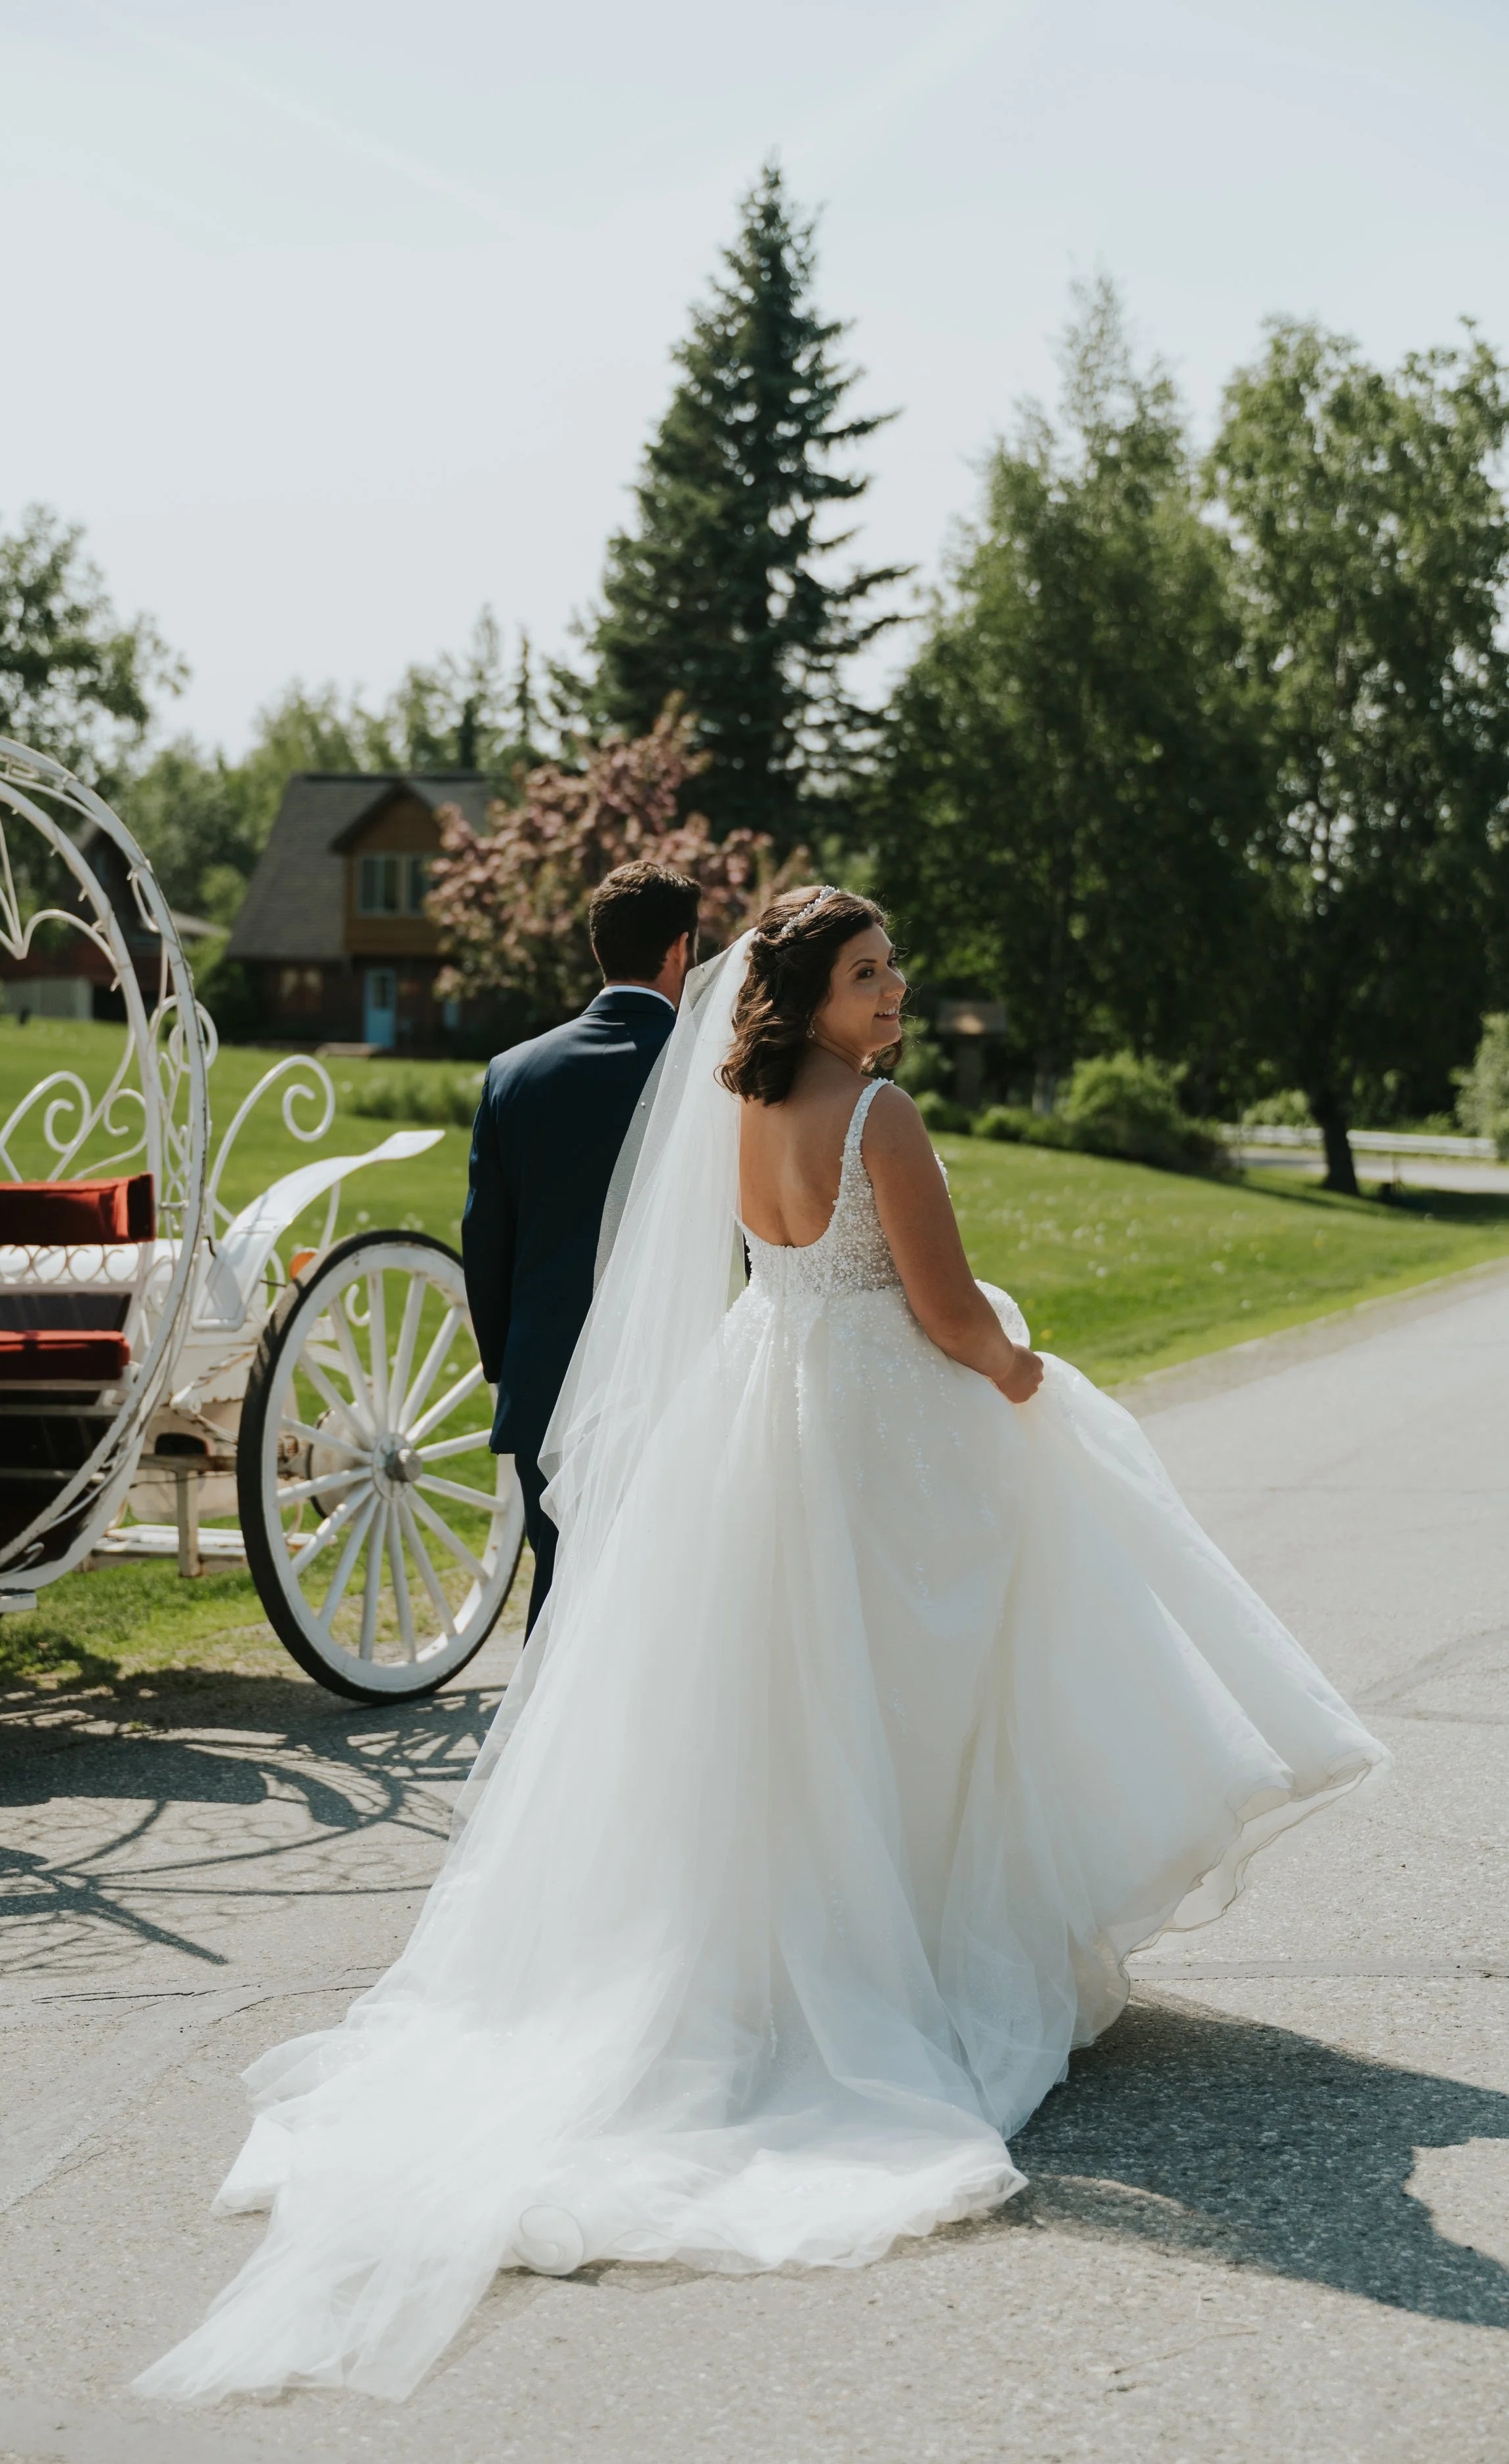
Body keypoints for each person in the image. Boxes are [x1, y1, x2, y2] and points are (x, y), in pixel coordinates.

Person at [137, 887, 1387, 2408]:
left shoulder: (739, 1107)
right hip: (876, 1434)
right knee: (929, 1679)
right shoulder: (882, 1116)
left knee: (786, 1709)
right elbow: (938, 1310)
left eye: (894, 968)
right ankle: (923, 1950)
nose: (899, 990)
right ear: (810, 995)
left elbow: (773, 1279)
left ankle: (813, 1945)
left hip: (764, 1417)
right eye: (871, 973)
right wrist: (1020, 1362)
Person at [460, 859, 699, 1630]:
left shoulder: (513, 1072)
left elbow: (485, 1244)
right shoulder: (710, 1071)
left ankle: (540, 1750)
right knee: (662, 1598)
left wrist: (513, 1369)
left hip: (544, 1382)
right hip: (675, 1377)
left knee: (562, 1591)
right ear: (681, 950)